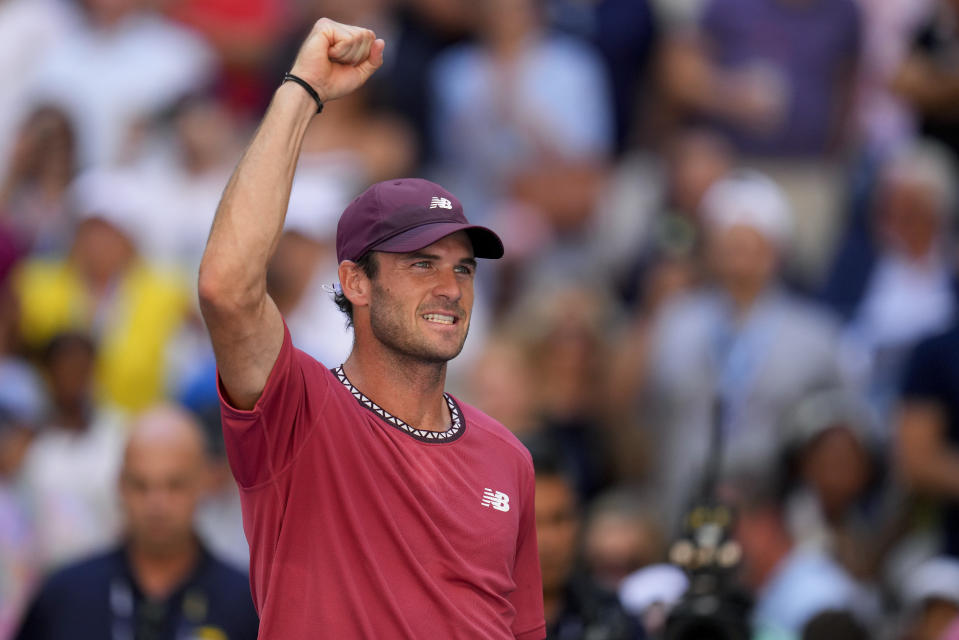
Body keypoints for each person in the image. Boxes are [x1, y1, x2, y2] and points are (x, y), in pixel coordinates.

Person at [197, 18, 545, 640]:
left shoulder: (509, 458)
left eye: (463, 268)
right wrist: (301, 90)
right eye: (421, 264)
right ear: (355, 282)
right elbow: (227, 287)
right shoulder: (295, 413)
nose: (451, 287)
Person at [14, 404, 259, 640]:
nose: (157, 505)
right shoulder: (64, 595)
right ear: (120, 486)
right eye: (141, 486)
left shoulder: (245, 604)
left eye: (174, 486)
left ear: (203, 483)